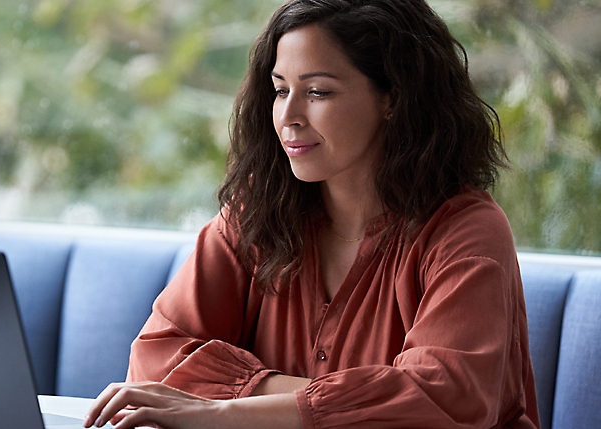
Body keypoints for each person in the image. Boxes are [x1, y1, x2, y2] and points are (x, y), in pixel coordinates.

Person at [83, 0, 539, 428]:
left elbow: (444, 399)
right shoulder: (259, 212)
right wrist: (328, 400)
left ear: (394, 98)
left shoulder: (466, 230)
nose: (288, 116)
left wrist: (222, 412)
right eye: (281, 90)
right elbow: (157, 355)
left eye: (318, 91)